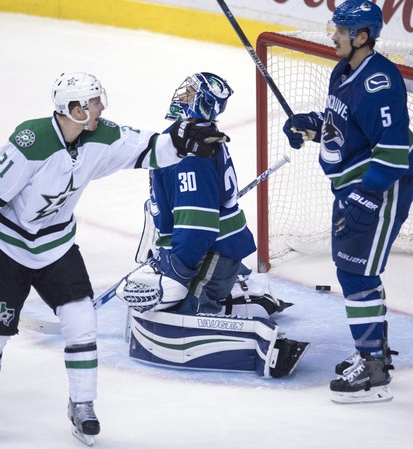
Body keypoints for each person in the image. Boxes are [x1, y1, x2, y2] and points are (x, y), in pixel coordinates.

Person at [0, 71, 227, 444]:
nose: (101, 106)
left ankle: (83, 405)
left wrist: (183, 140)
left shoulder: (99, 135)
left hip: (56, 246)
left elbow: (146, 148)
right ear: (74, 109)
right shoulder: (31, 141)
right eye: (93, 102)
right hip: (7, 247)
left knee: (82, 322)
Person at [118, 72, 309, 378]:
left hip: (214, 251)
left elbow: (198, 228)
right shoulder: (187, 138)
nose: (181, 96)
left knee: (182, 317)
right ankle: (246, 297)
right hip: (210, 247)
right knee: (164, 301)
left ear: (201, 103)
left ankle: (257, 323)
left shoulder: (193, 153)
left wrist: (178, 268)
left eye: (190, 92)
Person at [283, 0, 413, 403]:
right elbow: (346, 127)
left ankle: (373, 366)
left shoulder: (380, 82)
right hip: (355, 188)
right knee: (353, 273)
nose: (333, 34)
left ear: (362, 36)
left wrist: (364, 197)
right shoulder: (345, 70)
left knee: (357, 275)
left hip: (378, 190)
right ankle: (374, 351)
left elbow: (394, 152)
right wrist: (314, 126)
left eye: (341, 30)